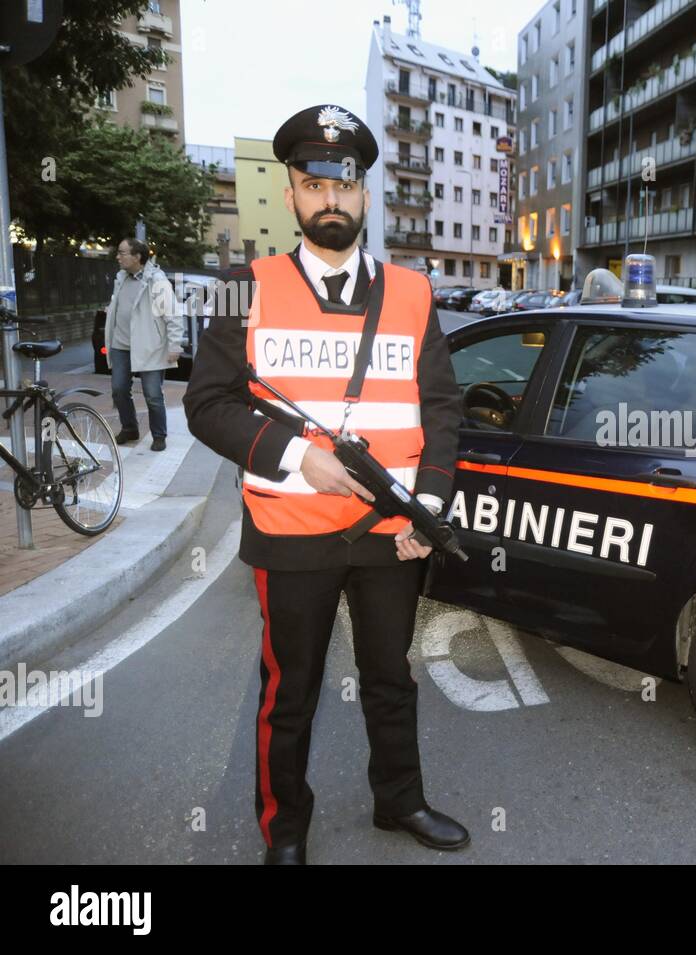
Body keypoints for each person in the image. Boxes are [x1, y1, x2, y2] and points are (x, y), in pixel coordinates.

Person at [183, 105, 468, 865]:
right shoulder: (244, 287)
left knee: (391, 677)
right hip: (290, 531)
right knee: (291, 692)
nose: (330, 200)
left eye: (343, 186)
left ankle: (399, 800)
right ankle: (284, 830)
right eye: (313, 185)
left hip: (390, 532)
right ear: (291, 196)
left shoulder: (412, 292)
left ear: (365, 196)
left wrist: (427, 507)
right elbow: (207, 404)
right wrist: (294, 456)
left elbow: (442, 408)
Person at [104, 237, 183, 451]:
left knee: (153, 395)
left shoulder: (156, 280)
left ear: (137, 256)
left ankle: (159, 435)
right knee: (119, 390)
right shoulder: (121, 278)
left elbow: (173, 314)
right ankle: (130, 428)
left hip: (150, 346)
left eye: (122, 253)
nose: (118, 257)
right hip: (121, 345)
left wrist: (175, 345)